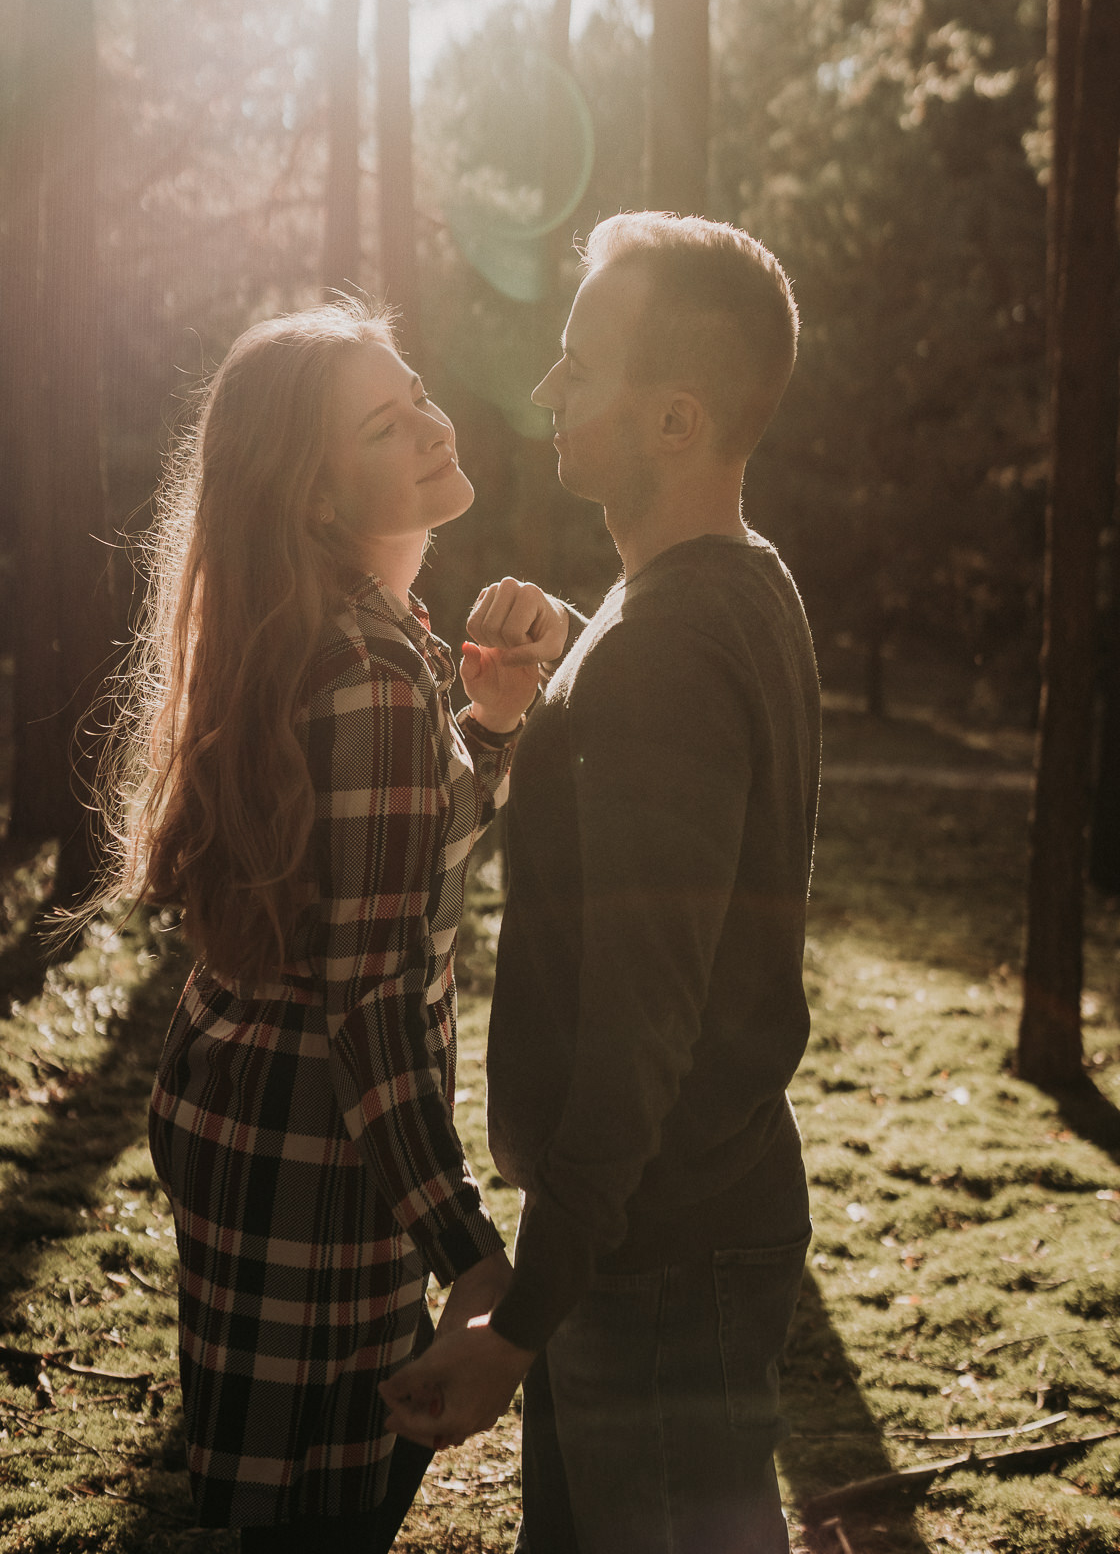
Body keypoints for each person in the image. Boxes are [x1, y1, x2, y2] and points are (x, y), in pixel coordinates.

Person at [382, 213, 821, 1554]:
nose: (547, 390)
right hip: (660, 1236)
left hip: (655, 1260)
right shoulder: (740, 588)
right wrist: (566, 680)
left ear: (678, 420)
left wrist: (524, 1314)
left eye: (581, 362)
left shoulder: (660, 662)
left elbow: (643, 1024)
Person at [104, 301, 563, 1550]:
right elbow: (367, 996)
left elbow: (383, 873)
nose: (428, 422)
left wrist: (489, 728)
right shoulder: (364, 669)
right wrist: (471, 1252)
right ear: (313, 497)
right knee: (301, 1519)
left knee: (296, 1493)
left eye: (416, 390)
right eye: (382, 422)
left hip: (268, 1125)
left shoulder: (364, 639)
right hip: (312, 1158)